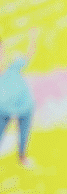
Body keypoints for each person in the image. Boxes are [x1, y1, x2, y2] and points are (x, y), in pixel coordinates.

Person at [0, 28, 37, 168]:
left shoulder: (13, 66)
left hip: (25, 107)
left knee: (24, 134)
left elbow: (28, 55)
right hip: (4, 111)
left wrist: (33, 38)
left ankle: (22, 156)